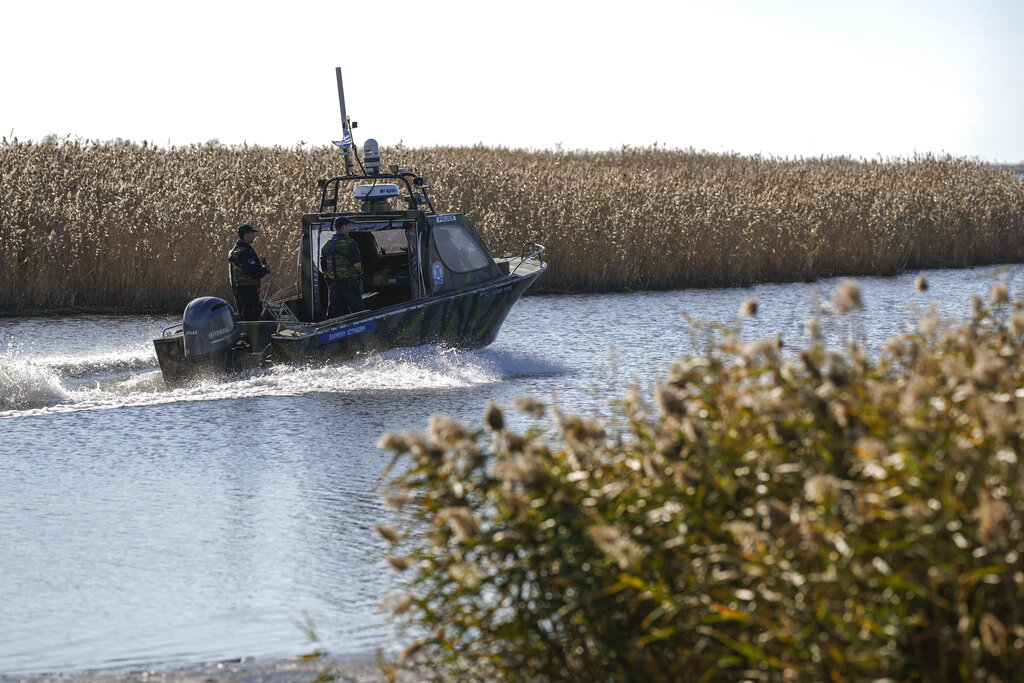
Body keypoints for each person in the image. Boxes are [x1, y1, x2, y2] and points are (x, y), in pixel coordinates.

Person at [320, 216, 366, 317]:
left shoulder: (327, 245)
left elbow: (324, 270)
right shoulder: (350, 242)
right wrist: (361, 271)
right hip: (349, 283)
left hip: (333, 285)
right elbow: (357, 265)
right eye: (348, 226)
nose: (350, 228)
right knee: (358, 312)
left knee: (334, 313)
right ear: (344, 227)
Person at [228, 224, 270, 321]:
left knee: (243, 316)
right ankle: (251, 335)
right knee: (251, 318)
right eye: (252, 233)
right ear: (246, 235)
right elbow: (253, 272)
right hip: (248, 291)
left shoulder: (234, 250)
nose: (254, 236)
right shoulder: (245, 252)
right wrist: (265, 269)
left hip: (239, 290)